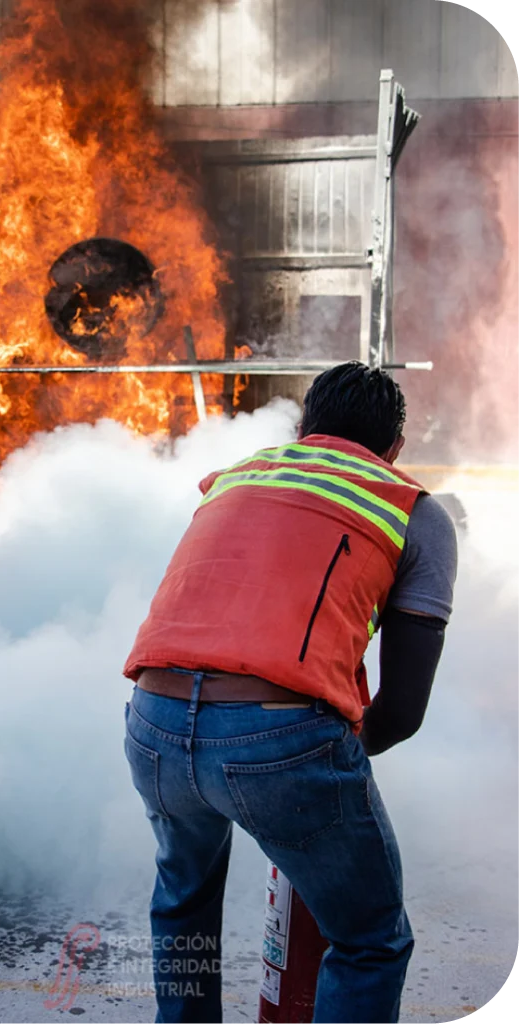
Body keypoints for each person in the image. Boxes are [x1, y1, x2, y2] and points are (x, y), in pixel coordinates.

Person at [122, 361, 457, 1024]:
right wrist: (319, 769)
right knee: (369, 942)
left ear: (303, 428)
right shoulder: (410, 507)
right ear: (394, 450)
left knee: (182, 904)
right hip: (279, 738)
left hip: (151, 725)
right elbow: (403, 710)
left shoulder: (236, 478)